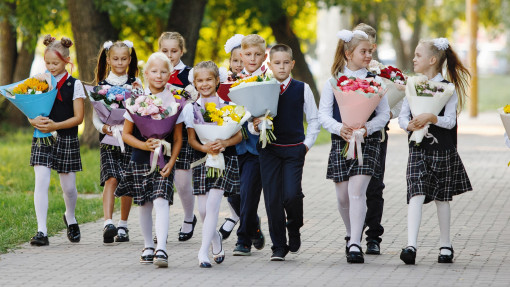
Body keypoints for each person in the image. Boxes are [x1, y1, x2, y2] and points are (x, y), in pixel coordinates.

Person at [318, 29, 390, 264]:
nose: (369, 55)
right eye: (364, 51)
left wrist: (366, 129)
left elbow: (385, 114)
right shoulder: (333, 82)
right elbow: (323, 116)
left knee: (357, 192)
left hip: (367, 142)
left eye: (370, 51)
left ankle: (356, 244)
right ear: (348, 53)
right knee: (342, 198)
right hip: (342, 141)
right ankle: (351, 233)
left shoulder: (376, 81)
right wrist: (341, 129)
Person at [398, 38, 472, 264]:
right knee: (416, 193)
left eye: (418, 55)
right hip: (418, 148)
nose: (413, 59)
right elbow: (403, 116)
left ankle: (445, 244)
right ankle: (411, 245)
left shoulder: (448, 89)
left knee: (442, 198)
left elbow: (450, 121)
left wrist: (432, 117)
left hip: (442, 150)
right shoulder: (412, 85)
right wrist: (407, 125)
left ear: (432, 60)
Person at [250, 44, 320, 261]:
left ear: (292, 64)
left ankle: (294, 226)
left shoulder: (302, 88)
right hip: (269, 151)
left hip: (293, 151)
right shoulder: (262, 87)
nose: (281, 67)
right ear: (269, 65)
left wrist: (306, 145)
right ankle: (278, 246)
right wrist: (254, 126)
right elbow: (248, 117)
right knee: (272, 199)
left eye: (285, 62)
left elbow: (314, 120)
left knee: (291, 195)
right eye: (277, 63)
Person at [115, 52, 183, 268]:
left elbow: (179, 137)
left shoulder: (175, 101)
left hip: (164, 159)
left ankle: (161, 247)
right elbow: (126, 134)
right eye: (154, 71)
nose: (159, 75)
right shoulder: (136, 101)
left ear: (169, 74)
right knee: (144, 203)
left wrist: (172, 161)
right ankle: (148, 246)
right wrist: (144, 145)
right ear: (146, 73)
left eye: (164, 72)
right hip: (141, 157)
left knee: (162, 200)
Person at [183, 61, 242, 268]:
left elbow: (238, 135)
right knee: (203, 210)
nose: (204, 84)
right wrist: (205, 148)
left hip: (223, 160)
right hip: (202, 160)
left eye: (209, 79)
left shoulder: (228, 107)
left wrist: (223, 142)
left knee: (213, 205)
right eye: (200, 80)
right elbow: (191, 139)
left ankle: (203, 252)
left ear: (217, 80)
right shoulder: (191, 109)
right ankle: (216, 239)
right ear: (194, 83)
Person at [29, 34, 85, 246]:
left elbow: (79, 118)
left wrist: (56, 126)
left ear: (66, 61)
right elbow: (29, 108)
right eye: (48, 63)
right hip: (42, 138)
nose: (51, 67)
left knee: (69, 188)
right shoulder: (39, 81)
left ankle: (70, 217)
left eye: (55, 63)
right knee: (41, 181)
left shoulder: (75, 84)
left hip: (67, 138)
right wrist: (33, 120)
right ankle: (42, 231)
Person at [93, 40, 140, 243]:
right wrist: (104, 128)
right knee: (111, 178)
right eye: (115, 59)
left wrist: (139, 93)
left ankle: (123, 225)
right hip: (108, 138)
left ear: (129, 60)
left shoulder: (135, 84)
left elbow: (144, 108)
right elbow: (96, 116)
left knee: (126, 179)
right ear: (108, 59)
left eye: (123, 59)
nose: (120, 63)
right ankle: (108, 223)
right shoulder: (101, 87)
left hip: (130, 138)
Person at [227, 34, 267, 256]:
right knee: (233, 194)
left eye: (257, 55)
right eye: (247, 55)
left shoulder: (268, 80)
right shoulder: (230, 81)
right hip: (232, 145)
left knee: (249, 193)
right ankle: (253, 226)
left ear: (264, 56)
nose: (251, 59)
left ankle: (243, 239)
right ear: (241, 56)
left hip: (255, 147)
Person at [158, 32, 197, 241]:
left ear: (181, 51)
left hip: (182, 132)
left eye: (174, 51)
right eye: (165, 51)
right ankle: (160, 227)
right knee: (160, 182)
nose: (170, 55)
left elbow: (194, 100)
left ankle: (189, 217)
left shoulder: (189, 74)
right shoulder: (155, 71)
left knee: (182, 183)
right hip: (159, 134)